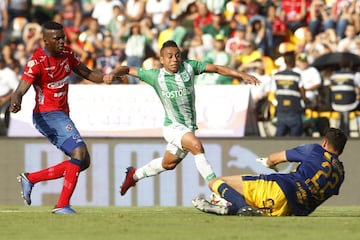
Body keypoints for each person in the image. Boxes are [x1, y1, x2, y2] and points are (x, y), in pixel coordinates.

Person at [114, 40, 260, 196]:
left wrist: (241, 74)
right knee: (197, 146)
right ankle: (220, 192)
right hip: (172, 127)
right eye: (169, 56)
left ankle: (134, 175)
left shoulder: (190, 67)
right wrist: (112, 74)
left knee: (168, 164)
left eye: (177, 55)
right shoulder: (155, 76)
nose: (174, 59)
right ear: (162, 60)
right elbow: (128, 68)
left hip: (188, 127)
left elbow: (217, 68)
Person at [10, 21, 115, 214]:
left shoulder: (68, 54)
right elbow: (20, 89)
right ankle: (61, 205)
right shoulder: (37, 61)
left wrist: (106, 78)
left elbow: (89, 74)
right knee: (79, 153)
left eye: (63, 38)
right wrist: (16, 101)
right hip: (46, 115)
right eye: (56, 39)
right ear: (45, 41)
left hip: (61, 114)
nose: (61, 42)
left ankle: (31, 178)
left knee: (83, 161)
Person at [192, 127, 347, 216]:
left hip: (279, 188)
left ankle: (238, 207)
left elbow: (275, 159)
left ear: (324, 142)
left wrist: (268, 162)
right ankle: (231, 207)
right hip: (287, 211)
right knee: (248, 202)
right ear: (341, 149)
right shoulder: (340, 174)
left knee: (216, 183)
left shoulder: (315, 150)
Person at [271, 51, 306, 137]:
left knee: (279, 137)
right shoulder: (297, 76)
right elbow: (303, 93)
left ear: (285, 62)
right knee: (296, 139)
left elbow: (274, 94)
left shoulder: (276, 76)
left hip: (281, 110)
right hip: (294, 110)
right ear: (293, 61)